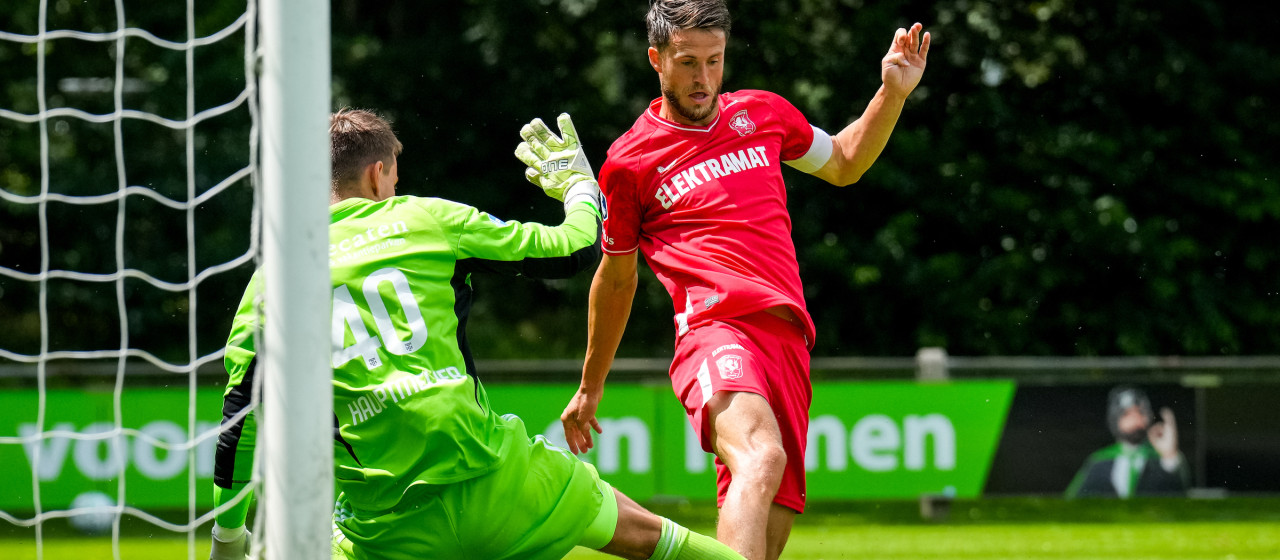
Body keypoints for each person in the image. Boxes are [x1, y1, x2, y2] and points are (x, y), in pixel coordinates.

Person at [209, 109, 746, 560]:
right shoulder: (426, 220)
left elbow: (240, 423)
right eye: (394, 178)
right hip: (498, 484)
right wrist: (580, 187)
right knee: (655, 538)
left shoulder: (271, 280)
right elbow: (574, 248)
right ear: (378, 175)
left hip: (385, 527)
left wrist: (228, 537)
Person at [557, 2, 931, 559]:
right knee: (762, 456)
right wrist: (590, 385)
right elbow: (616, 280)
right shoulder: (629, 162)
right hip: (714, 329)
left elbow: (846, 162)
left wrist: (893, 94)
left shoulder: (764, 113)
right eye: (687, 63)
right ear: (656, 60)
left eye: (714, 60)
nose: (703, 78)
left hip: (788, 338)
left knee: (764, 541)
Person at [1065, 385, 1190, 499]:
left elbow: (1179, 496)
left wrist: (1170, 457)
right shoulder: (1100, 461)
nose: (1135, 419)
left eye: (1140, 412)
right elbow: (1074, 501)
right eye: (1126, 414)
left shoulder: (1160, 459)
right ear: (1115, 420)